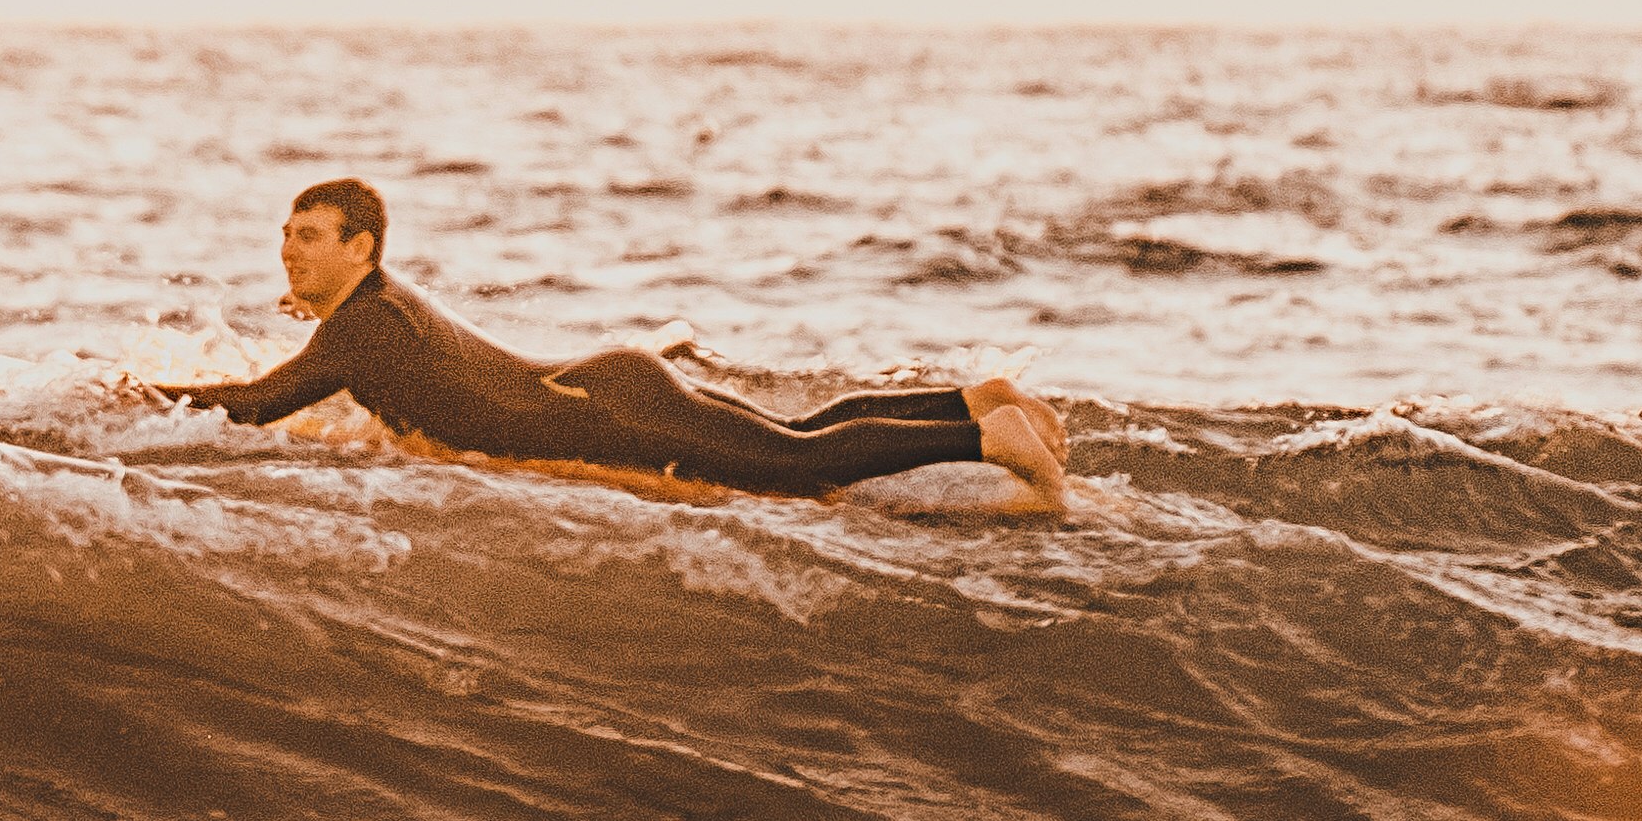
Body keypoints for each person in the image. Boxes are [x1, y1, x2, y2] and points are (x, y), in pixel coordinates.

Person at [149, 179, 1071, 508]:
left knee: (800, 470)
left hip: (607, 408)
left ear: (361, 247)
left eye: (307, 235)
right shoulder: (380, 307)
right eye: (285, 233)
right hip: (610, 384)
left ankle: (983, 438)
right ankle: (973, 399)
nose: (285, 247)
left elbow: (255, 407)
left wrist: (123, 399)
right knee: (790, 434)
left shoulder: (362, 329)